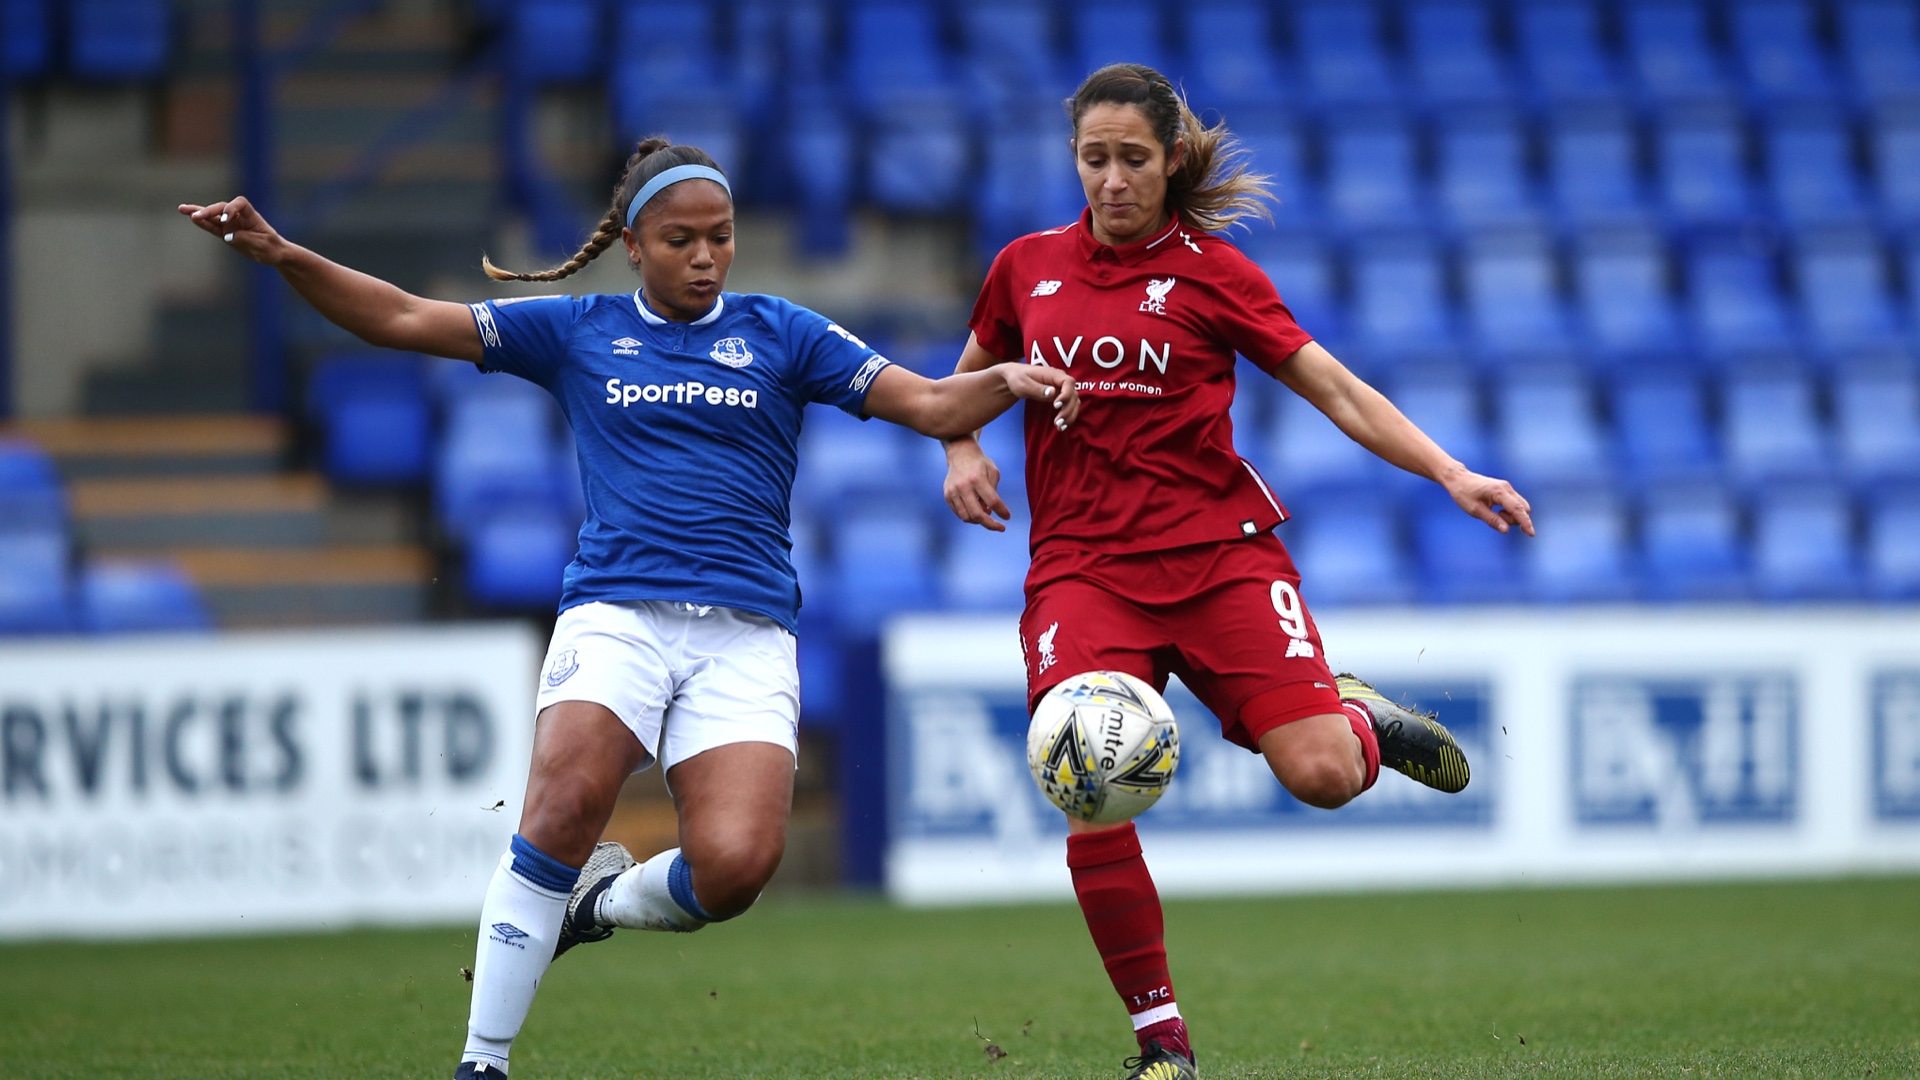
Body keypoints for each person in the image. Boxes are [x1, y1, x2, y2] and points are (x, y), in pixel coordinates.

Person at [181, 137, 1080, 1079]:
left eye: (721, 238)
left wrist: (1000, 385)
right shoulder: (577, 330)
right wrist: (288, 256)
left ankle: (596, 908)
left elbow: (933, 403)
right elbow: (405, 318)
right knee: (562, 806)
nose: (704, 257)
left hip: (746, 632)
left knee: (734, 870)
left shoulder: (785, 332)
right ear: (634, 247)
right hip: (618, 611)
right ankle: (482, 1061)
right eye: (681, 239)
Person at [939, 64, 1536, 1080]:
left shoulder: (1216, 275)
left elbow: (1335, 390)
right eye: (1095, 159)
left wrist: (1449, 470)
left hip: (1220, 559)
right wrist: (961, 450)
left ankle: (1360, 721)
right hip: (1084, 572)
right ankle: (1161, 1044)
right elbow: (965, 381)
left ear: (1173, 159)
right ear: (1073, 159)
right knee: (1088, 776)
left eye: (1134, 159)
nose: (1114, 180)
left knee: (1323, 779)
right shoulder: (1026, 267)